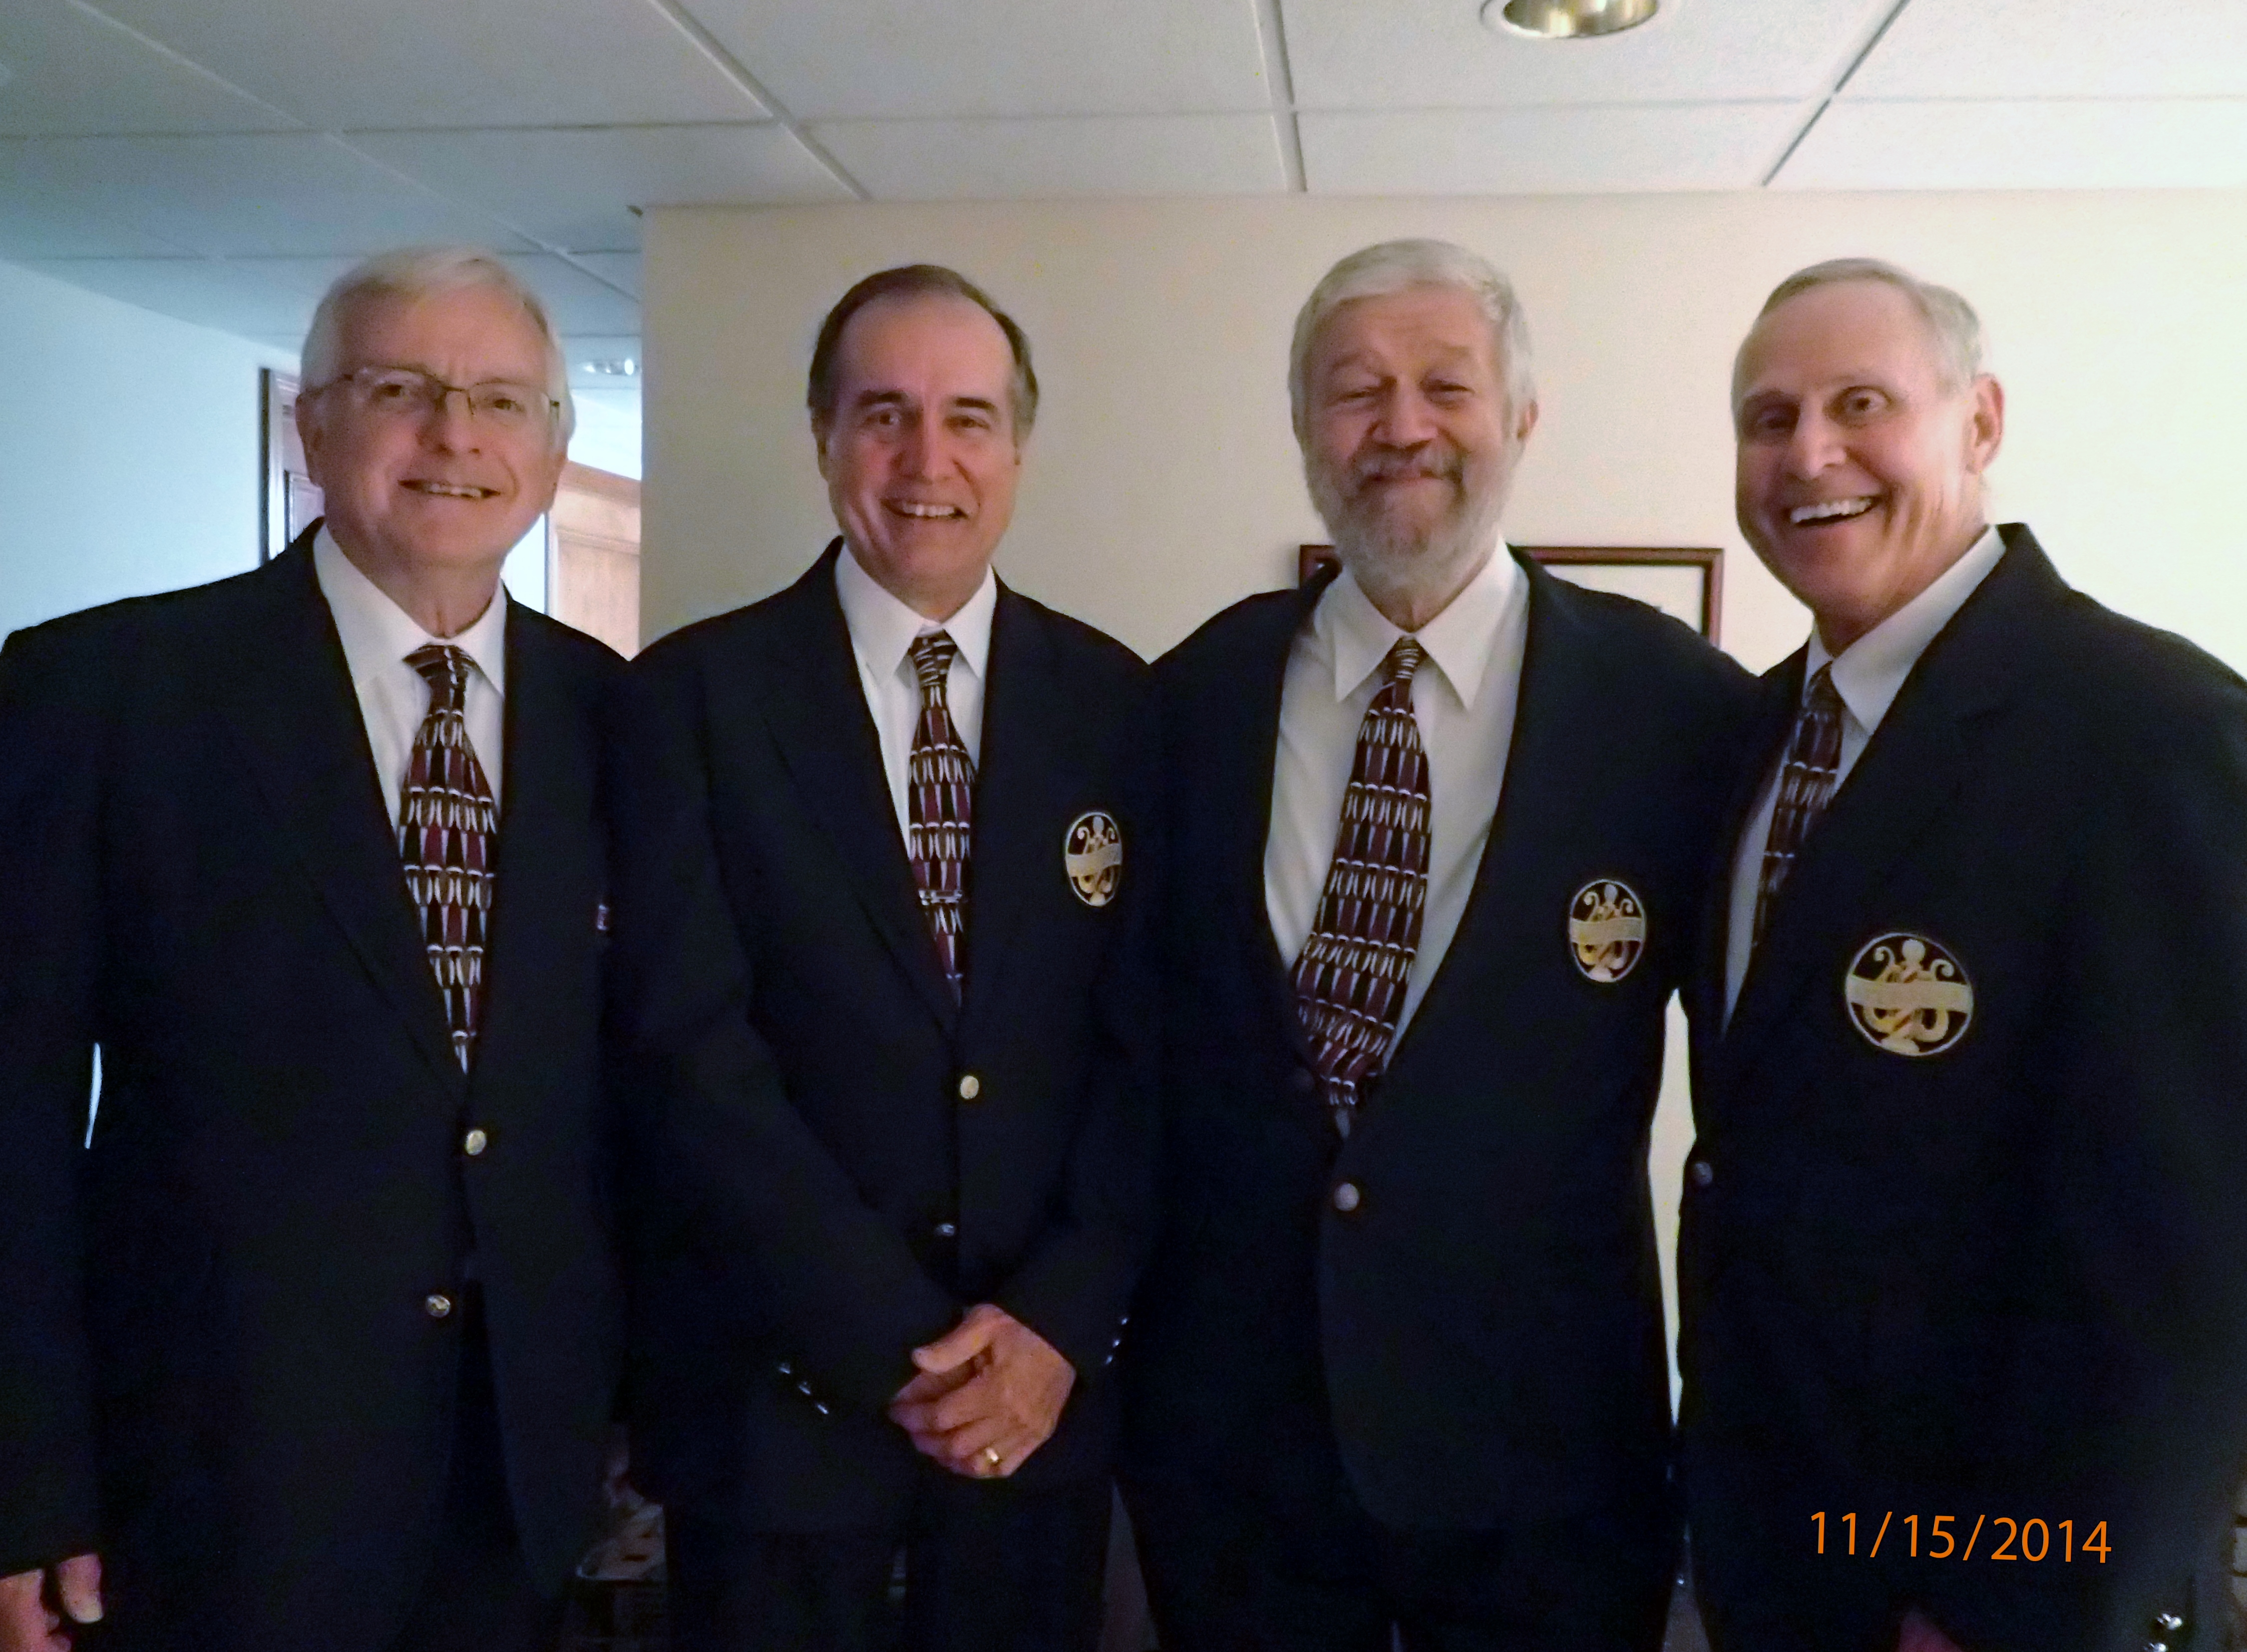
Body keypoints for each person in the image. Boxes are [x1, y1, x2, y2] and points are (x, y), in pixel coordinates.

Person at [1120, 238, 1755, 1652]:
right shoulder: (1187, 700)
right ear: (1304, 429)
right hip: (1235, 1452)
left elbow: (1761, 1090)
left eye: (1445, 386)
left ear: (1521, 415)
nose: (1400, 426)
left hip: (1546, 1459)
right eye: (1355, 391)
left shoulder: (1677, 712)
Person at [0, 247, 624, 1652]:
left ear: (551, 446)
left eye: (502, 400)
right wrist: (24, 1484)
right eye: (401, 389)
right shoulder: (105, 692)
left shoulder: (618, 717)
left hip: (517, 1474)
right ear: (312, 424)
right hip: (215, 1475)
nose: (455, 435)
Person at [1679, 257, 2247, 1652]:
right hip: (1782, 1547)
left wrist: (2011, 1600)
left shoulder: (2147, 729)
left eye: (1861, 403)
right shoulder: (1751, 739)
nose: (1809, 454)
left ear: (1979, 421)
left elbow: (2194, 1247)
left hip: (1994, 1583)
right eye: (1768, 418)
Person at [607, 264, 1157, 1652]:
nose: (928, 460)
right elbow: (687, 1054)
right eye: (883, 414)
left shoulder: (1121, 705)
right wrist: (894, 1347)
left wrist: (1053, 1326)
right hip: (774, 1404)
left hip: (1037, 1407)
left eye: (969, 418)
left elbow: (1153, 1048)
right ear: (823, 436)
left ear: (1019, 446)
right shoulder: (691, 699)